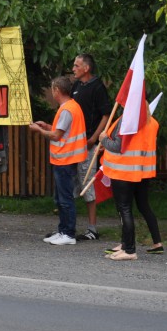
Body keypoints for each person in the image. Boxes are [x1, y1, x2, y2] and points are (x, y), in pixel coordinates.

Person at [29, 76, 87, 245]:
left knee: (65, 198)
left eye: (53, 89)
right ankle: (63, 230)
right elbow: (60, 131)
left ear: (57, 91)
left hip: (65, 159)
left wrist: (39, 131)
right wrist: (46, 126)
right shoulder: (71, 106)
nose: (52, 91)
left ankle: (68, 234)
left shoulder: (67, 109)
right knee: (61, 197)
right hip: (66, 158)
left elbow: (56, 135)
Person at [100, 114, 163, 261]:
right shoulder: (152, 122)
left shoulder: (128, 120)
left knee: (124, 209)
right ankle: (155, 242)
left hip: (124, 170)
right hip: (143, 170)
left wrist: (103, 139)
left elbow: (117, 146)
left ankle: (128, 248)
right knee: (143, 206)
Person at [71, 53, 111, 240]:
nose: (73, 69)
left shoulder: (97, 87)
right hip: (73, 143)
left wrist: (95, 137)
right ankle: (67, 227)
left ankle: (92, 229)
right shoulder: (77, 86)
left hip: (88, 143)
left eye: (77, 66)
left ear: (86, 68)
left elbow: (106, 114)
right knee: (71, 182)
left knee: (87, 182)